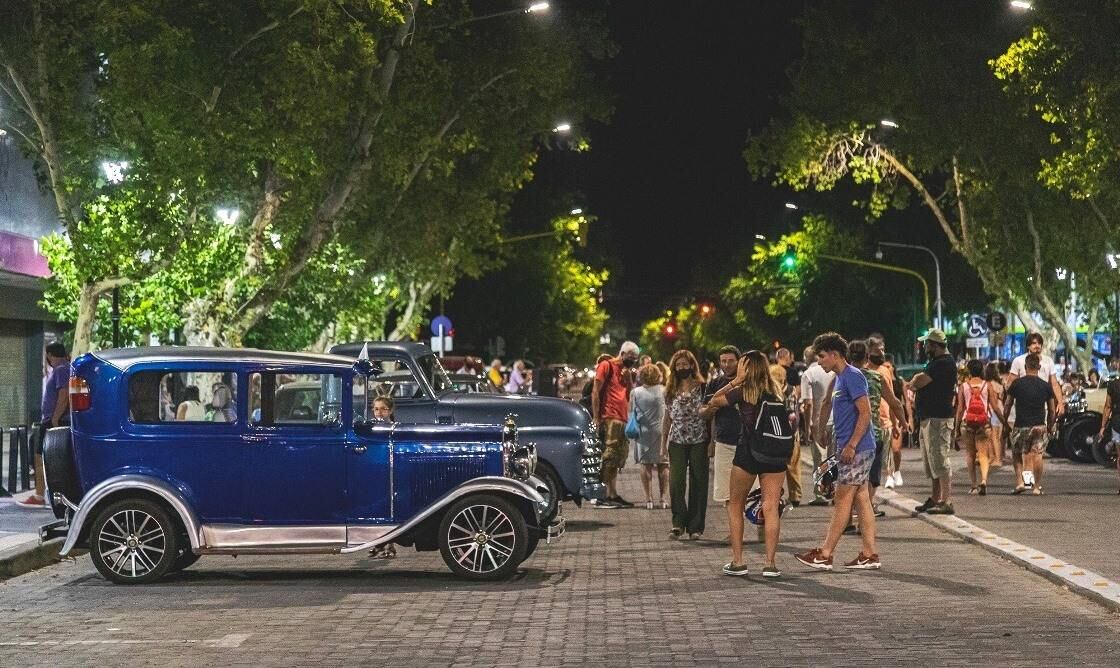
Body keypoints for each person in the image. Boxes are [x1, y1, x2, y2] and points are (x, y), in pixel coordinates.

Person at [795, 332, 881, 571]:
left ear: (835, 355)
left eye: (822, 356)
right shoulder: (841, 378)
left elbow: (865, 413)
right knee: (862, 499)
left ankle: (825, 553)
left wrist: (852, 445)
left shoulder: (852, 377)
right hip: (853, 447)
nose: (819, 361)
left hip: (857, 449)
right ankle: (869, 553)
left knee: (843, 500)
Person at [706, 350, 787, 576]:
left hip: (749, 452)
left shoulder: (743, 392)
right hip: (775, 453)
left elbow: (713, 400)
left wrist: (737, 380)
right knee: (770, 506)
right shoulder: (776, 391)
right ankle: (770, 564)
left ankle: (738, 561)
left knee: (735, 505)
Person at [846, 340, 905, 521]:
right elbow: (894, 402)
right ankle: (866, 511)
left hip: (848, 436)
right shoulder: (876, 377)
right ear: (866, 357)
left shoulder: (843, 376)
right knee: (871, 478)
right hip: (873, 435)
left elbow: (829, 402)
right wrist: (902, 422)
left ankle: (848, 517)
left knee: (848, 479)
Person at [661, 350, 709, 540]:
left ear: (692, 365)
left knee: (699, 482)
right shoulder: (670, 390)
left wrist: (712, 441)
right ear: (674, 368)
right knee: (676, 482)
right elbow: (667, 417)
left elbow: (710, 416)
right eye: (678, 365)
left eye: (685, 364)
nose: (682, 368)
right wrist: (662, 444)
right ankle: (678, 523)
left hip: (699, 439)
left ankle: (695, 527)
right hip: (677, 440)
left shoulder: (702, 387)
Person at [910, 329, 957, 515]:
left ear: (935, 345)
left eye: (926, 344)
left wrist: (915, 381)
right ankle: (936, 498)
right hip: (930, 416)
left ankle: (946, 500)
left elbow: (917, 382)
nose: (924, 347)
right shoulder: (936, 363)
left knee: (940, 458)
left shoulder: (942, 363)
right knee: (931, 460)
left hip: (938, 417)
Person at [19, 342, 70, 508]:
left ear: (49, 355)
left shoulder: (61, 370)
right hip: (52, 419)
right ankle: (43, 494)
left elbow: (64, 394)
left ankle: (39, 495)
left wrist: (55, 418)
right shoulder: (64, 369)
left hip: (53, 420)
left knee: (40, 457)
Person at [591, 342, 640, 508]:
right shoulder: (606, 365)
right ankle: (601, 496)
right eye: (631, 358)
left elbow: (630, 395)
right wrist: (597, 417)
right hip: (609, 417)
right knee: (609, 456)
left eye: (635, 359)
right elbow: (596, 392)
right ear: (623, 353)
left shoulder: (626, 372)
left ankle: (612, 494)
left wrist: (629, 380)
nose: (632, 361)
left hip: (623, 418)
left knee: (618, 458)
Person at [1004, 353, 1056, 495]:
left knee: (1016, 453)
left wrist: (1004, 421)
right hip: (1039, 425)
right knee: (1037, 454)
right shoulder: (1045, 386)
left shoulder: (1016, 384)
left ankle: (1020, 482)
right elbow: (1051, 409)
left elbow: (1007, 404)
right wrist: (1051, 425)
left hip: (1020, 425)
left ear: (1025, 366)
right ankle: (1036, 487)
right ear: (1039, 366)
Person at [954, 360, 1005, 496]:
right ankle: (984, 480)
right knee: (983, 454)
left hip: (967, 422)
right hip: (984, 422)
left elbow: (960, 409)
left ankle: (973, 485)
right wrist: (1004, 423)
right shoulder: (987, 385)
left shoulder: (963, 386)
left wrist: (956, 428)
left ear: (969, 371)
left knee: (970, 455)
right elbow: (994, 407)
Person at [701, 346, 742, 514]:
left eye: (731, 360)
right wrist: (710, 410)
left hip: (746, 442)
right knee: (726, 490)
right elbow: (703, 412)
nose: (727, 364)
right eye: (723, 361)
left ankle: (759, 527)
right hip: (724, 441)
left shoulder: (748, 382)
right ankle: (733, 529)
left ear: (739, 361)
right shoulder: (715, 383)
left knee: (753, 489)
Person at [800, 345, 835, 506]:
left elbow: (807, 403)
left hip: (817, 421)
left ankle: (820, 493)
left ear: (807, 358)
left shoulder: (808, 374)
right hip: (836, 420)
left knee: (818, 460)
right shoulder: (834, 372)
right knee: (834, 459)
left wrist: (807, 427)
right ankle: (834, 490)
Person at [630, 364, 668, 509]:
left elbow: (631, 412)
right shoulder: (664, 390)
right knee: (663, 465)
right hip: (662, 431)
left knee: (645, 465)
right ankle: (663, 499)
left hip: (643, 432)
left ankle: (649, 499)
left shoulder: (636, 392)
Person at [770, 347, 802, 506]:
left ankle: (774, 495)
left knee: (775, 465)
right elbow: (796, 406)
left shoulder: (770, 393)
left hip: (775, 432)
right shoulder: (791, 389)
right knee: (793, 464)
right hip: (792, 430)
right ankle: (795, 495)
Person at [1007, 333, 1064, 418]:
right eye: (1034, 343)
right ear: (1028, 346)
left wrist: (1060, 402)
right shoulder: (1018, 361)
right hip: (1022, 407)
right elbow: (1010, 384)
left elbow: (1054, 384)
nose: (1037, 345)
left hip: (1042, 406)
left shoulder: (1048, 361)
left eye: (1039, 343)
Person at [1098, 374, 1120, 493]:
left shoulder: (1113, 385)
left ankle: (1030, 485)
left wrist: (1103, 427)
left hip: (1117, 423)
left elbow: (1108, 406)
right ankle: (1030, 485)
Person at [983, 362, 1007, 468]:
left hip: (994, 411)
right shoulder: (999, 384)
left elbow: (993, 401)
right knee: (996, 436)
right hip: (1000, 409)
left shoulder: (990, 384)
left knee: (994, 436)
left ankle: (997, 459)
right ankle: (995, 457)